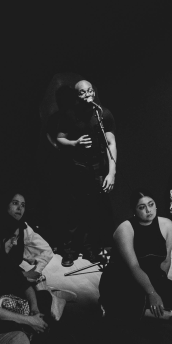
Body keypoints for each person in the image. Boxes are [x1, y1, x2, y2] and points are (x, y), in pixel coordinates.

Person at [100, 191, 172, 322]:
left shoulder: (167, 225)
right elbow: (133, 267)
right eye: (142, 207)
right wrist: (152, 293)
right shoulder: (125, 229)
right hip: (121, 278)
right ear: (134, 210)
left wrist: (160, 286)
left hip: (150, 275)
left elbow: (166, 260)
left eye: (151, 204)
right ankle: (170, 316)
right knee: (131, 298)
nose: (148, 210)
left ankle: (118, 310)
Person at [50, 79, 118, 262]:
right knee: (73, 212)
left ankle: (91, 251)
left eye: (90, 91)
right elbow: (59, 139)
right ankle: (69, 252)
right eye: (82, 92)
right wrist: (75, 143)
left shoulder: (103, 113)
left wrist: (111, 173)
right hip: (75, 168)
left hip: (97, 169)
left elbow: (111, 144)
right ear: (77, 95)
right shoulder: (69, 114)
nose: (87, 95)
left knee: (94, 212)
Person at [0, 192, 59, 318]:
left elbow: (46, 251)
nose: (19, 208)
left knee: (41, 296)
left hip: (11, 274)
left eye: (23, 205)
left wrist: (34, 271)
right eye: (15, 203)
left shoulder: (24, 228)